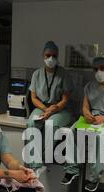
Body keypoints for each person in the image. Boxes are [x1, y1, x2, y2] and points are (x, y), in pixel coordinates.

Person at [62, 57, 104, 192]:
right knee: (72, 131)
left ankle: (94, 178)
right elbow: (85, 107)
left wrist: (103, 118)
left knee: (99, 136)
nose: (99, 72)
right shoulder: (89, 86)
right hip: (92, 119)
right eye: (96, 69)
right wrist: (86, 113)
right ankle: (72, 169)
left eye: (102, 68)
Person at [26, 41, 74, 175]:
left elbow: (65, 99)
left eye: (54, 55)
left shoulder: (64, 74)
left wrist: (53, 109)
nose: (51, 58)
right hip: (42, 106)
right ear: (43, 56)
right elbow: (33, 98)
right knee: (32, 123)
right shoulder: (37, 74)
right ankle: (35, 164)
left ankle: (43, 158)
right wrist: (46, 109)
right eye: (48, 55)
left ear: (58, 57)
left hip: (61, 109)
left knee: (50, 124)